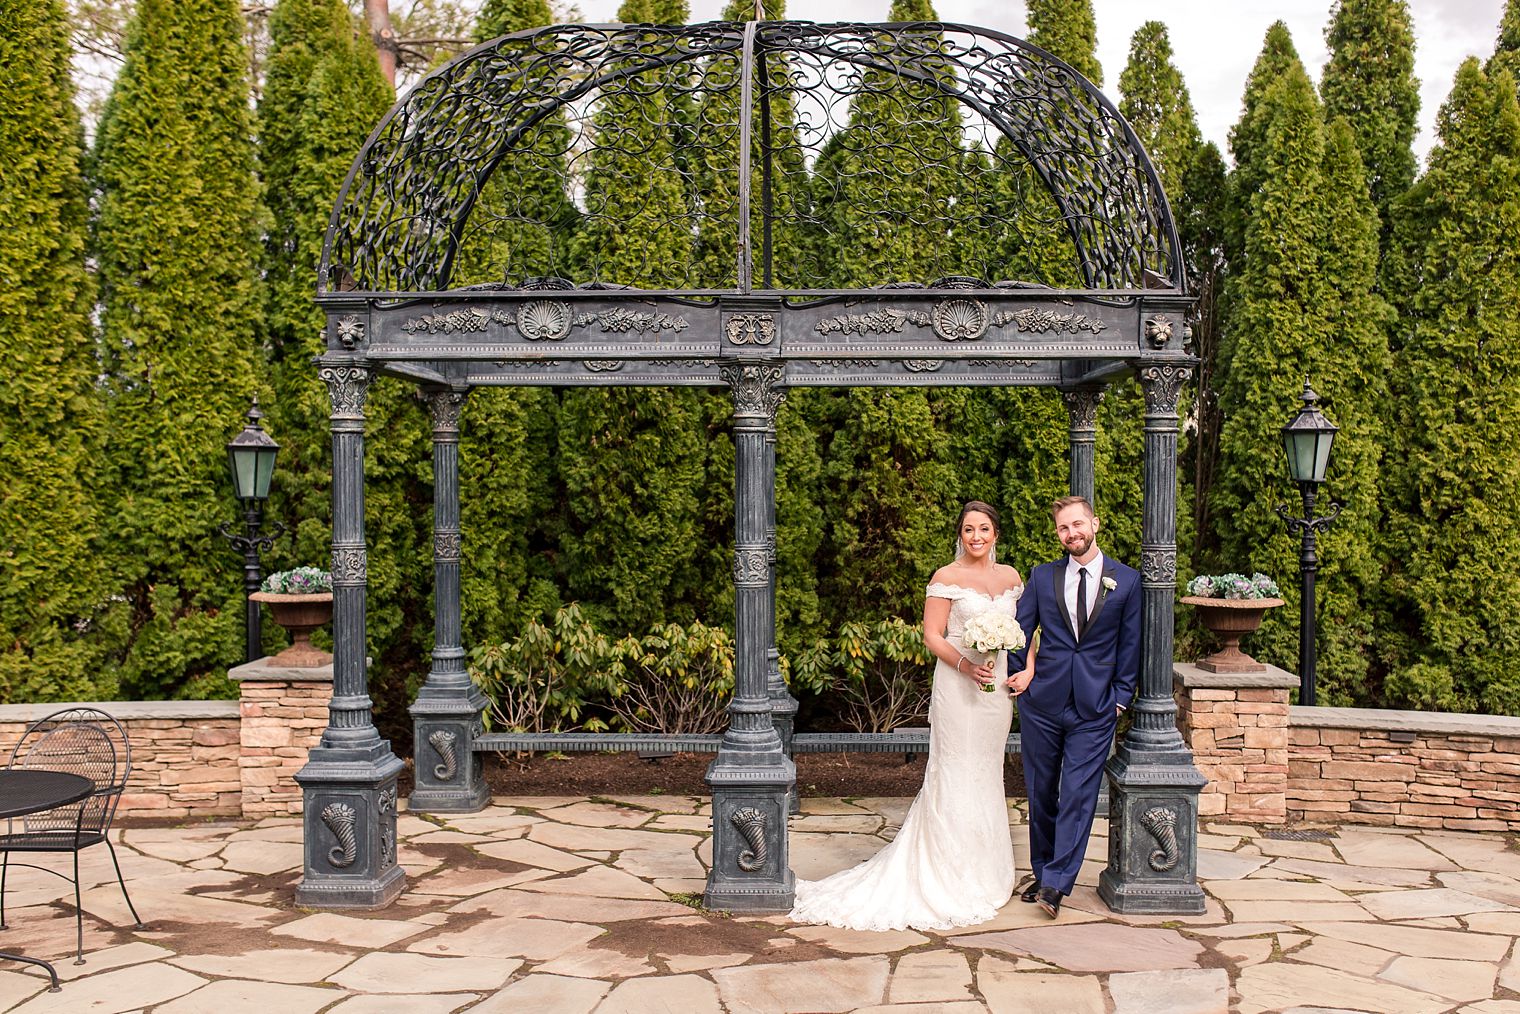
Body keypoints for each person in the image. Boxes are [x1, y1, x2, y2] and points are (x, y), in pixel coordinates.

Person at [789, 501, 1026, 931]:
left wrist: (1020, 668)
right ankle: (946, 874)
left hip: (995, 693)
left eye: (984, 528)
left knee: (987, 773)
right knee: (954, 771)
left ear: (996, 534)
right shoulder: (946, 577)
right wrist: (966, 665)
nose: (976, 536)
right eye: (969, 529)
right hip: (958, 686)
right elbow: (932, 636)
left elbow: (1025, 631)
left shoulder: (1011, 578)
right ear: (960, 534)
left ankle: (986, 870)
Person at [1005, 495, 1139, 918]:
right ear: (1058, 533)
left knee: (1079, 794)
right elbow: (1019, 631)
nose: (1072, 533)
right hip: (1042, 702)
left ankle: (1057, 885)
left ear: (1095, 524)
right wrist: (1020, 676)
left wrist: (1119, 699)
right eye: (1064, 528)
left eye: (1078, 524)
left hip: (1096, 706)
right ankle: (1045, 873)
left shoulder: (1128, 581)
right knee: (1041, 791)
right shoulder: (1043, 577)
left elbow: (1130, 644)